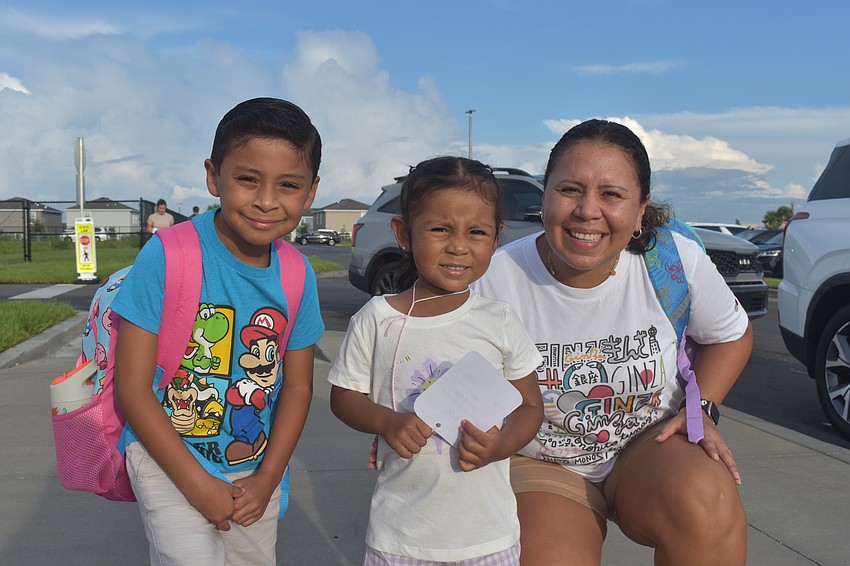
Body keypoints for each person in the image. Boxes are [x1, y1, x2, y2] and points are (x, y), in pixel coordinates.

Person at [471, 119, 752, 565]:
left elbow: (731, 336)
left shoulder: (672, 263)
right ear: (544, 196)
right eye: (569, 190)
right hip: (537, 459)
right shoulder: (491, 281)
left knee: (707, 500)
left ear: (641, 211)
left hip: (648, 445)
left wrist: (702, 408)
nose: (587, 210)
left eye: (612, 195)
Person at [111, 97, 325, 565]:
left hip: (252, 467)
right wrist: (196, 484)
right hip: (165, 455)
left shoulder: (297, 274)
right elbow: (132, 387)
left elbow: (298, 387)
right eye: (248, 179)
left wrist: (268, 478)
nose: (266, 200)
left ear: (310, 193)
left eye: (288, 185)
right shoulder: (167, 255)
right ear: (214, 176)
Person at [328, 156, 544, 565]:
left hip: (487, 538)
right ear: (403, 233)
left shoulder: (499, 320)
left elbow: (530, 406)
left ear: (495, 238)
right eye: (440, 229)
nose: (459, 246)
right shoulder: (377, 318)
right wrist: (386, 422)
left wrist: (502, 445)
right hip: (399, 538)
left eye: (476, 232)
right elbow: (344, 396)